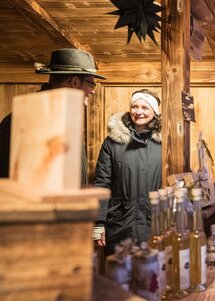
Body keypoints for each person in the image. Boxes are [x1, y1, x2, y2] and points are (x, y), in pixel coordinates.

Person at [0, 48, 105, 180]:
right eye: (91, 85)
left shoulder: (66, 120)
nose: (93, 91)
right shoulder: (21, 121)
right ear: (75, 82)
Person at [94, 89, 162, 255]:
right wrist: (99, 223)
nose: (138, 112)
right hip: (119, 224)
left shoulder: (166, 143)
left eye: (145, 108)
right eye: (135, 106)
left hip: (153, 224)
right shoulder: (113, 142)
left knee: (151, 276)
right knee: (118, 276)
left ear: (155, 112)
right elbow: (102, 183)